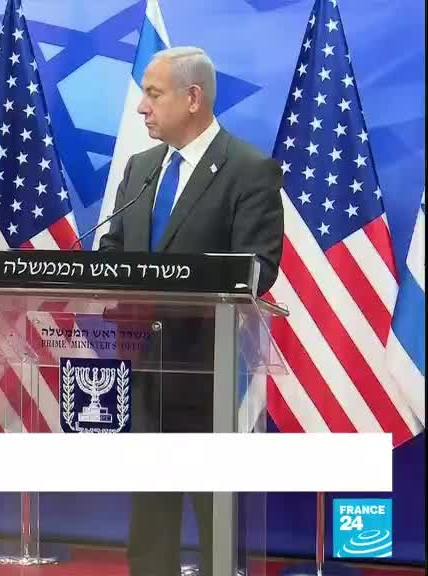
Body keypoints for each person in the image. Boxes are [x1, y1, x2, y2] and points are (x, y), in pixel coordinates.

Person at [97, 47, 284, 576]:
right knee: (150, 511)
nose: (142, 107)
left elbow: (258, 268)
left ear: (193, 98)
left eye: (153, 95)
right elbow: (113, 250)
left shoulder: (249, 170)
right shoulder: (141, 168)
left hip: (209, 372)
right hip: (144, 367)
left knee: (213, 511)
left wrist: (169, 293)